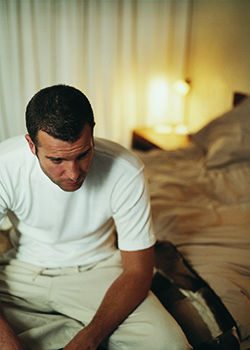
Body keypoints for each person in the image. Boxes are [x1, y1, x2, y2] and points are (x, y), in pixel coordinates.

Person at [0, 85, 190, 350]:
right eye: (57, 160)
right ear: (32, 145)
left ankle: (62, 331)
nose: (73, 173)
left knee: (170, 344)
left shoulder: (126, 170)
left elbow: (138, 271)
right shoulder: (4, 165)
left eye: (83, 154)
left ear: (93, 133)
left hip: (98, 272)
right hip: (23, 273)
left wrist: (87, 340)